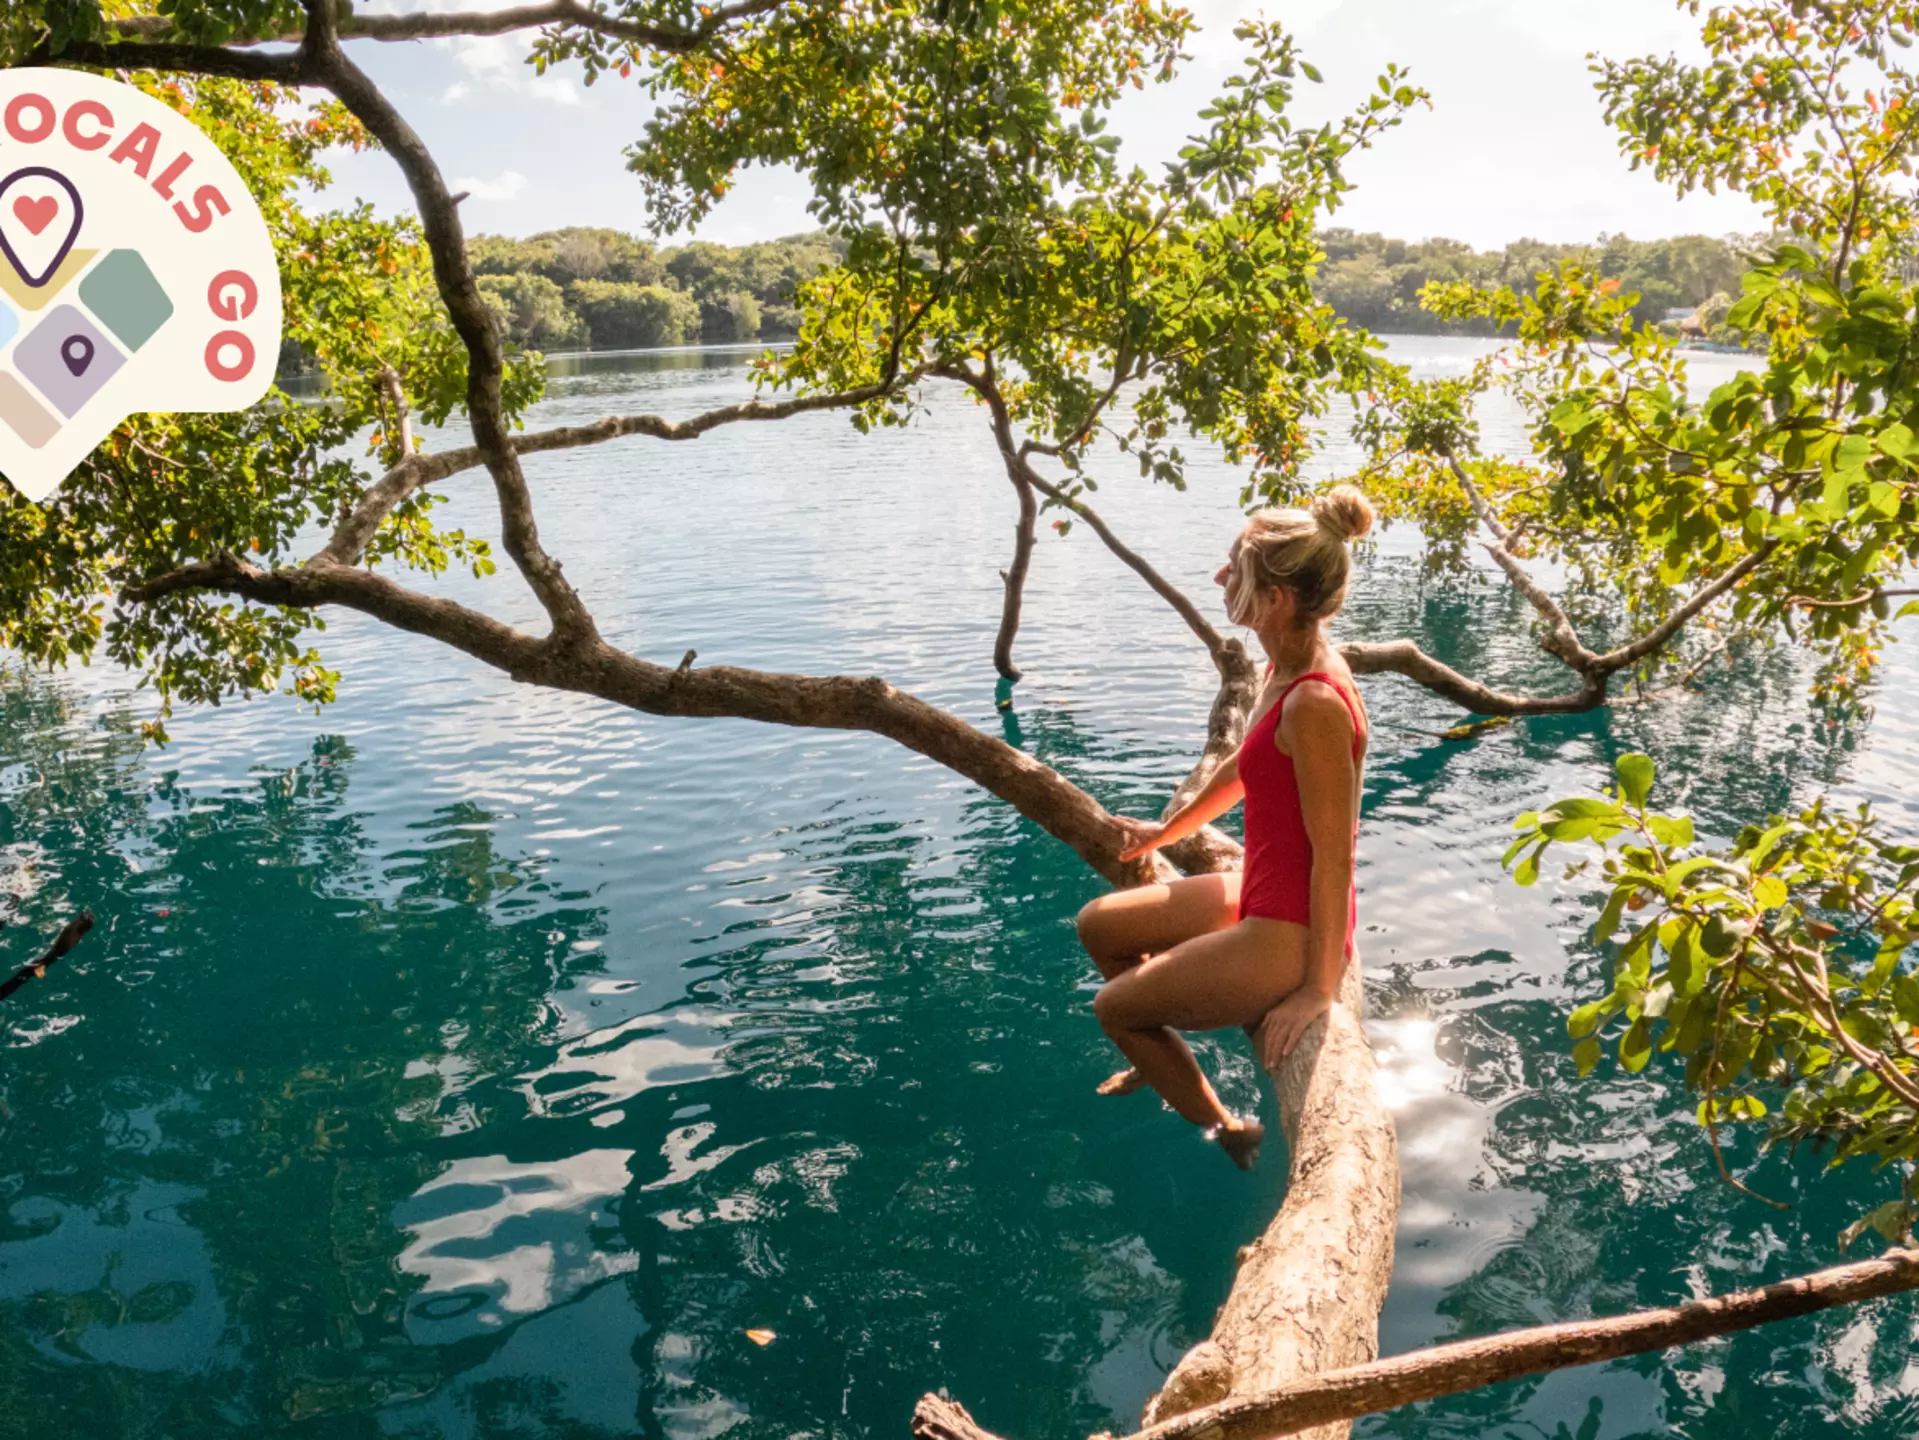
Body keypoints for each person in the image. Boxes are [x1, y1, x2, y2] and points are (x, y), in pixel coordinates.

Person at [1076, 486, 1373, 1170]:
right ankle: (1161, 1056)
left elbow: (1334, 859)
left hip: (1290, 927)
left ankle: (1225, 1127)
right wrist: (1163, 833)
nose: (1217, 577)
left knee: (1115, 1009)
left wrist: (1317, 989)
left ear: (1276, 598)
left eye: (1234, 566)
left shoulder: (1317, 702)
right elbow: (1244, 767)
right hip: (1258, 887)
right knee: (1099, 924)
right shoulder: (1284, 663)